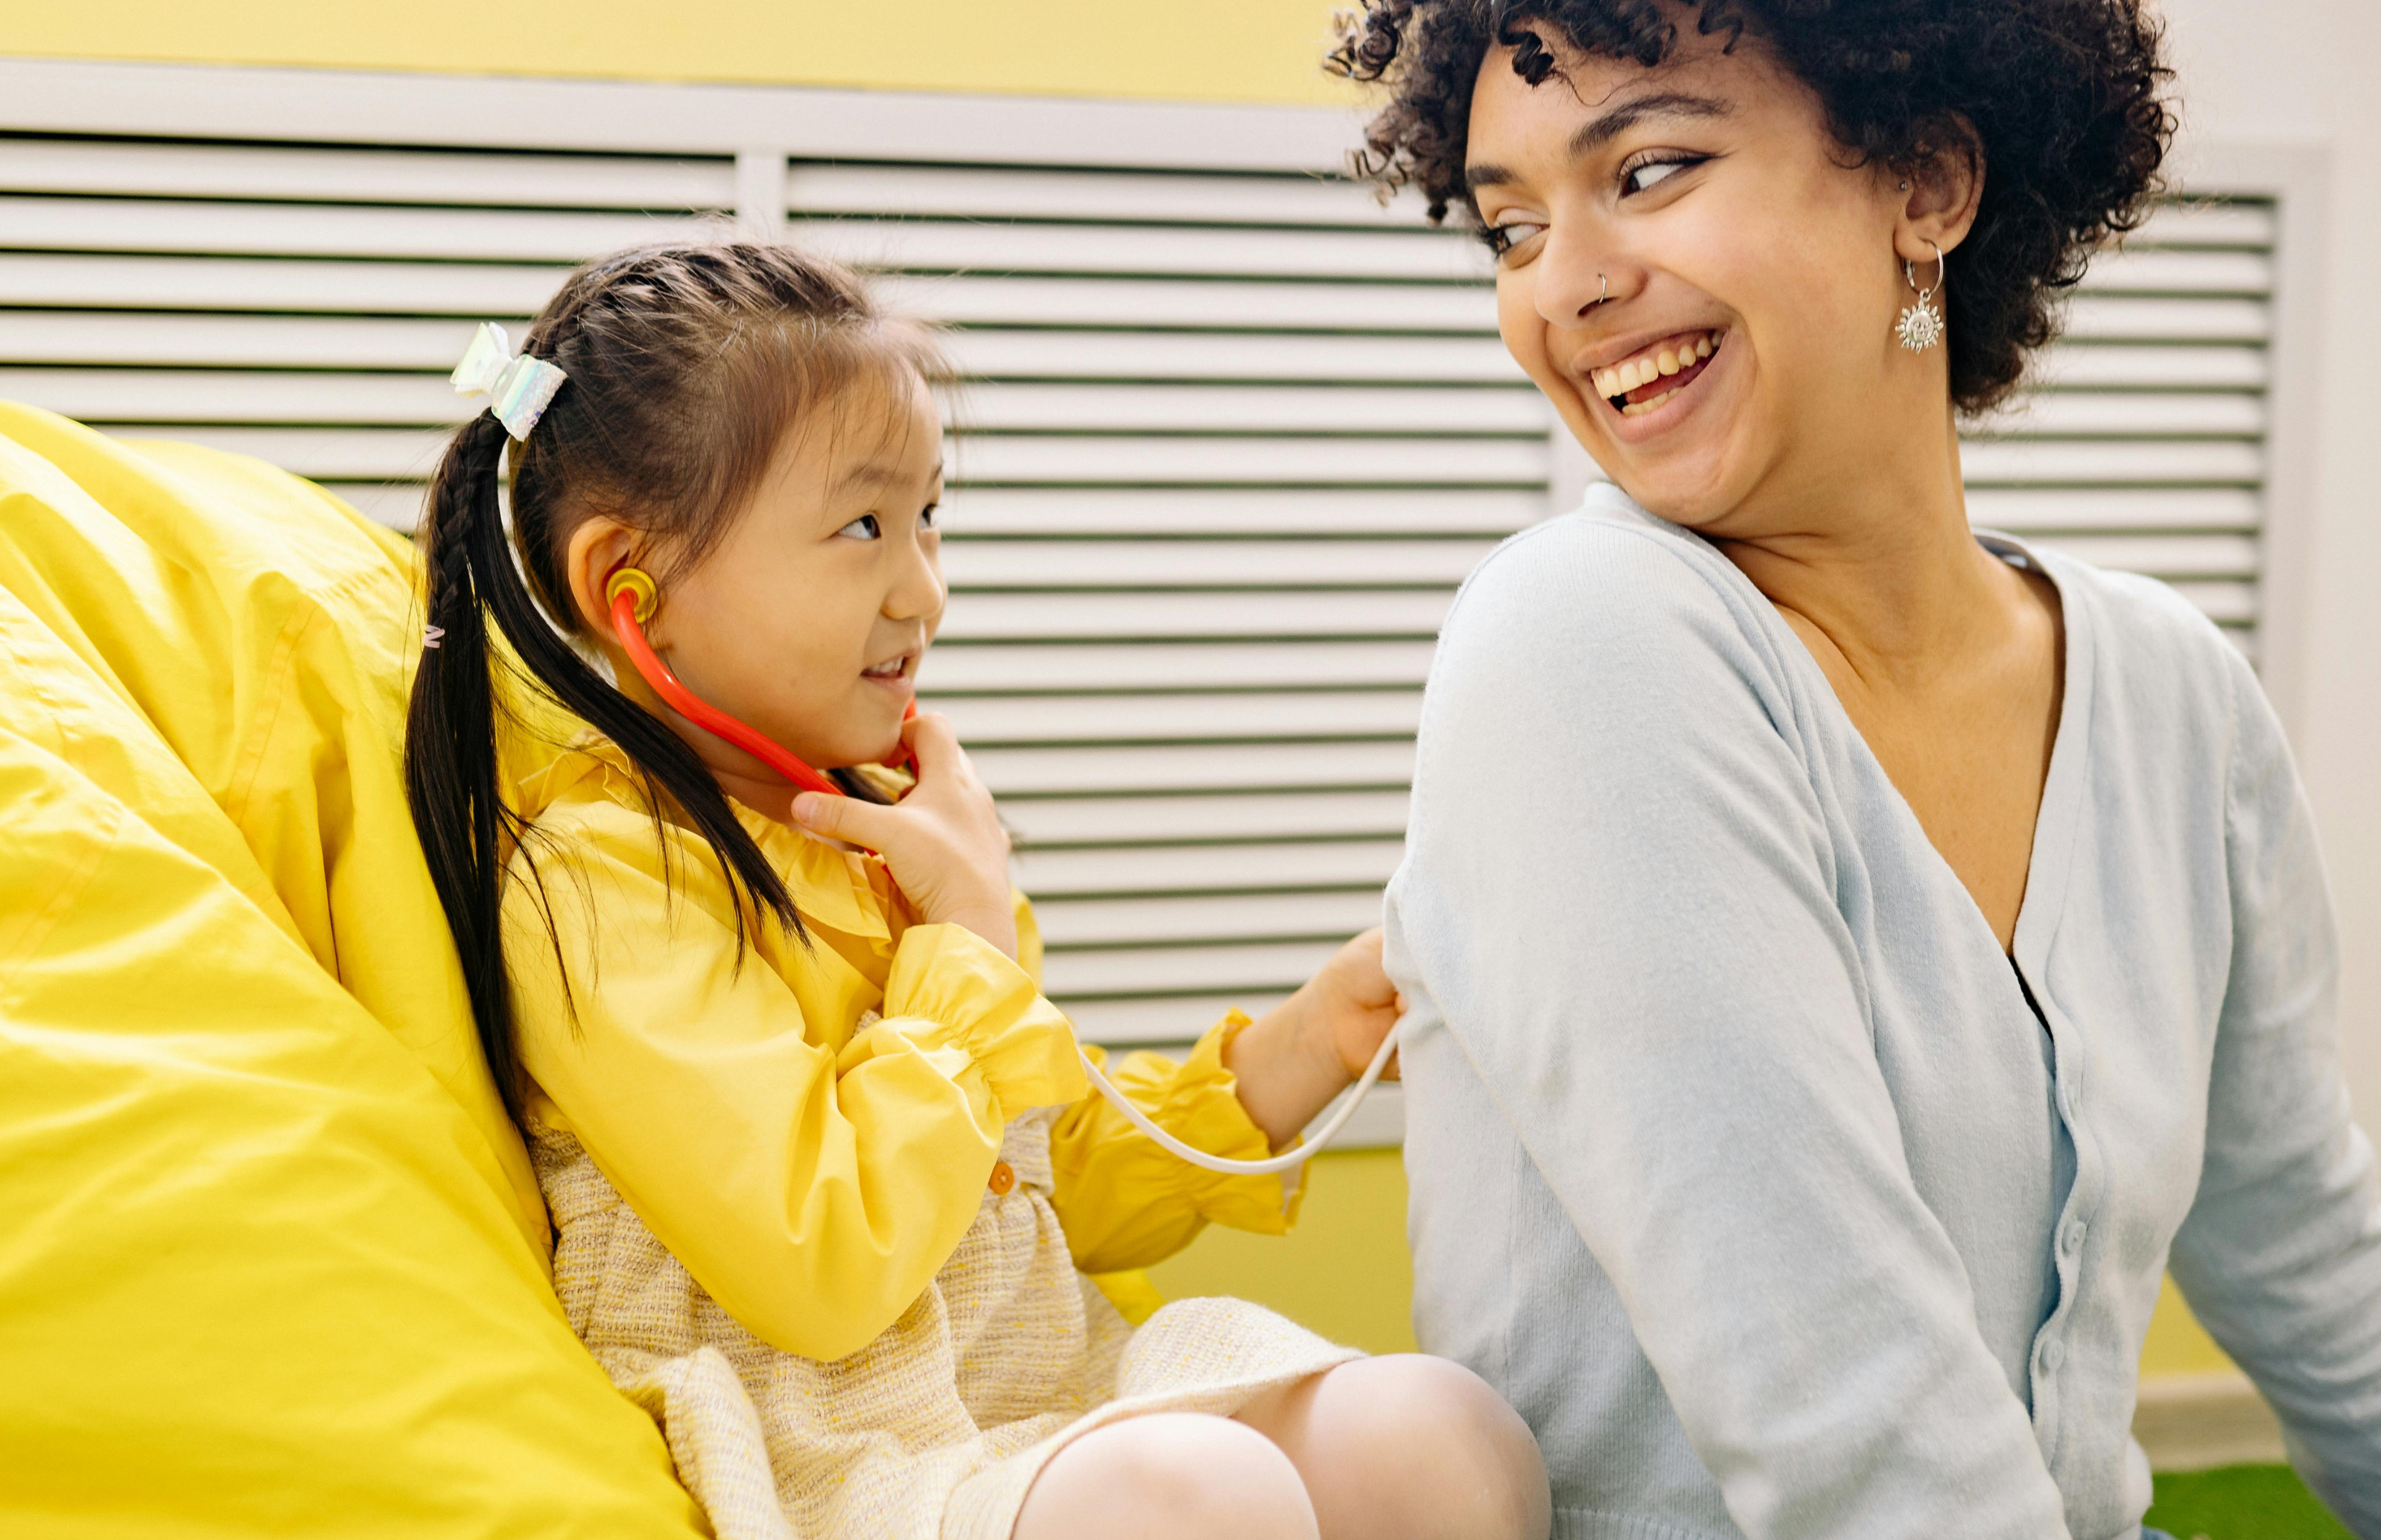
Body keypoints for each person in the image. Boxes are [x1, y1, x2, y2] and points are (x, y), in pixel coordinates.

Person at [1332, 0, 2381, 1538]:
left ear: (1924, 183)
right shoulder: (1579, 648)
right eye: (1506, 228)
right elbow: (1855, 1435)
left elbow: (2309, 1265)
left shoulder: (2166, 697)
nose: (1563, 286)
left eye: (1647, 170)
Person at [397, 241, 1551, 1540]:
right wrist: (966, 943)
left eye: (930, 517)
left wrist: (1303, 1046)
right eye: (862, 526)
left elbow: (1018, 1197)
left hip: (1032, 1397)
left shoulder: (903, 838)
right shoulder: (600, 880)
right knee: (1197, 1498)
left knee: (1444, 1438)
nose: (924, 590)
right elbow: (827, 1259)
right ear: (634, 590)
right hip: (826, 1447)